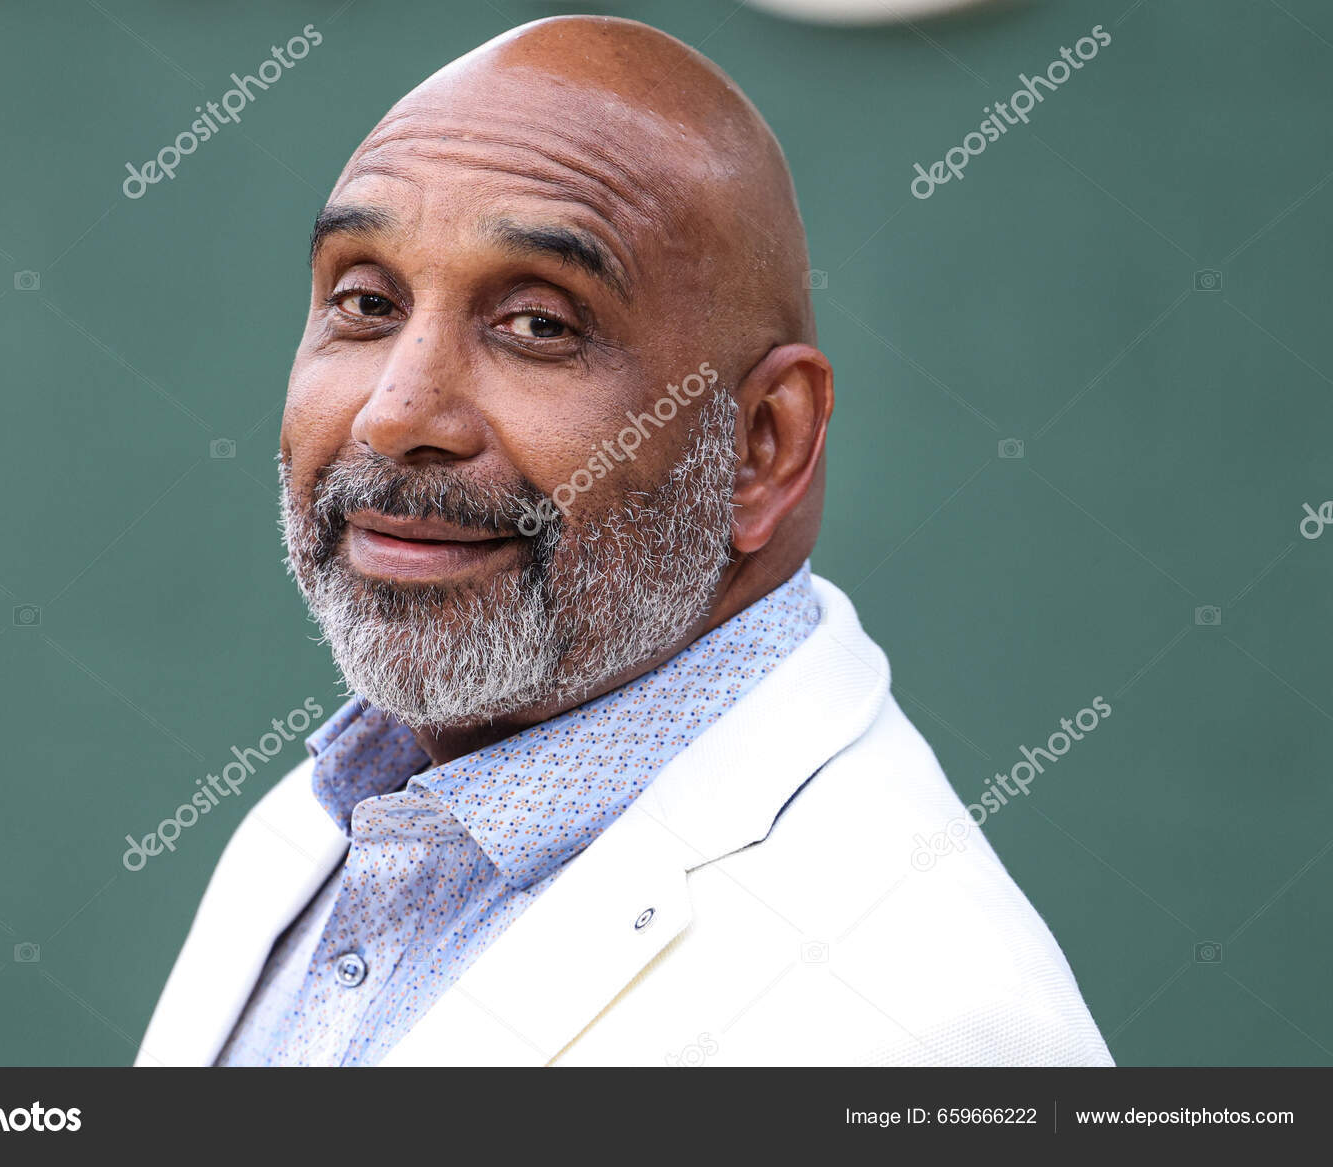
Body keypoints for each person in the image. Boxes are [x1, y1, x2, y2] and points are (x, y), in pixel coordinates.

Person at [137, 14, 1112, 1067]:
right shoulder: (330, 822)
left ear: (762, 447)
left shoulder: (913, 1023)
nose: (394, 414)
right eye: (366, 302)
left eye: (540, 324)